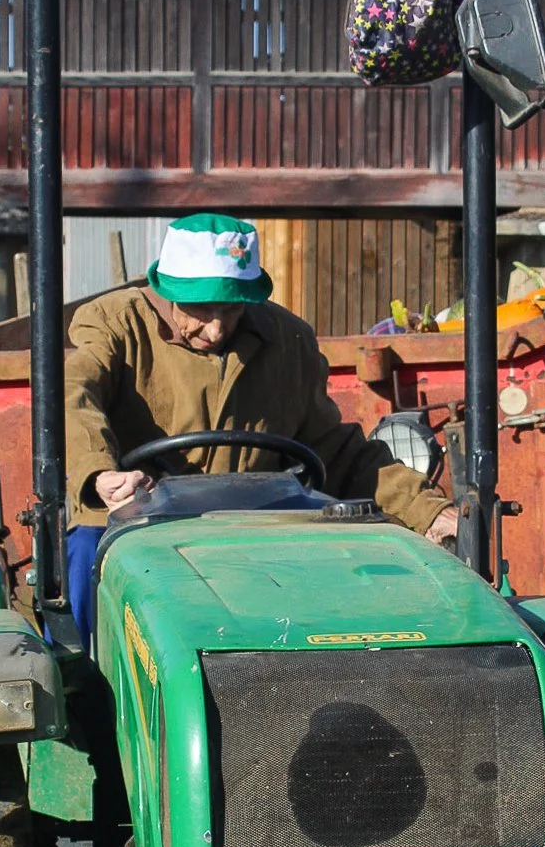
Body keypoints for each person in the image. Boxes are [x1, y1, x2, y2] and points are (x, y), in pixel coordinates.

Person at [64, 213, 459, 642]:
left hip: (252, 529)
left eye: (231, 309)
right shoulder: (113, 324)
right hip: (136, 520)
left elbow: (336, 451)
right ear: (168, 290)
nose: (215, 329)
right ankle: (90, 693)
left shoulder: (287, 341)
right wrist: (100, 473)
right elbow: (74, 394)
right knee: (89, 552)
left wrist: (428, 512)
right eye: (199, 309)